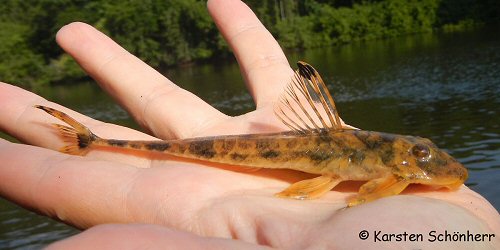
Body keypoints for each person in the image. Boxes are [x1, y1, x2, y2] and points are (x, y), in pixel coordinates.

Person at [0, 0, 498, 249]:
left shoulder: (396, 171)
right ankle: (90, 142)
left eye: (423, 153)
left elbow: (371, 198)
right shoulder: (389, 170)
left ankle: (92, 142)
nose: (425, 158)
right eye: (422, 154)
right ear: (400, 161)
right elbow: (368, 193)